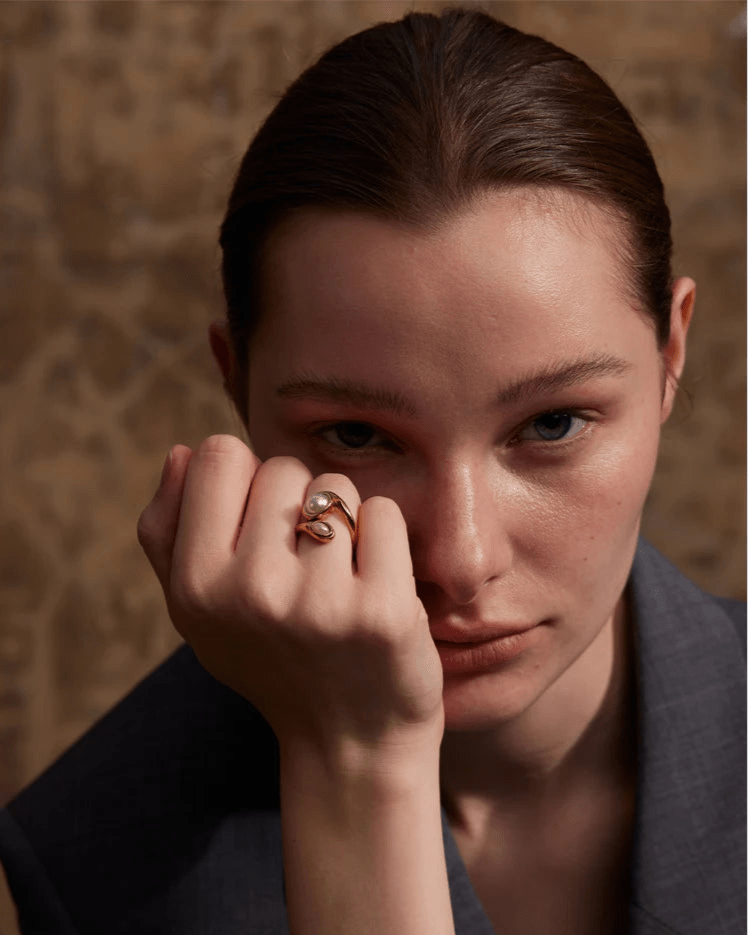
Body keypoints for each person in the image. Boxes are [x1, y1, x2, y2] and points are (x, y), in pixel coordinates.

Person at [0, 6, 744, 935]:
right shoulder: (106, 863)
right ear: (238, 387)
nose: (461, 557)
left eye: (552, 422)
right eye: (355, 435)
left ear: (672, 351)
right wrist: (354, 760)